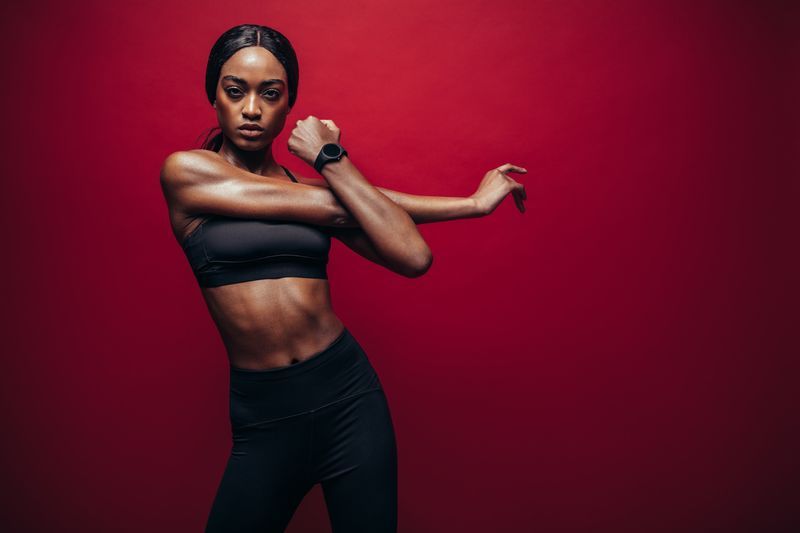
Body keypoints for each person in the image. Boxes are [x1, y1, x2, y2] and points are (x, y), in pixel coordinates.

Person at [159, 23, 528, 533]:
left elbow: (411, 257)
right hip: (266, 417)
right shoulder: (187, 173)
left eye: (270, 94)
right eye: (234, 90)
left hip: (350, 400)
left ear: (290, 104)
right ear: (213, 95)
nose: (251, 110)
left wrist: (474, 204)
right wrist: (335, 162)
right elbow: (341, 207)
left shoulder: (308, 189)